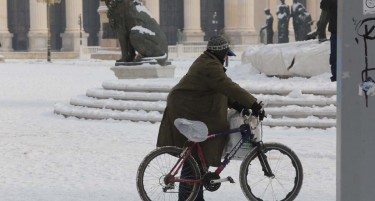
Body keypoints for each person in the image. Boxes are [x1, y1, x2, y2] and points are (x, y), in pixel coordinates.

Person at [156, 35, 265, 201]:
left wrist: (240, 106)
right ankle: (188, 198)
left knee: (198, 156)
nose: (227, 57)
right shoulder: (210, 66)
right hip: (187, 110)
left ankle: (194, 197)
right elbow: (228, 86)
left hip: (194, 109)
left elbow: (222, 91)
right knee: (194, 158)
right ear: (220, 52)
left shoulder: (209, 63)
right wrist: (254, 104)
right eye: (226, 54)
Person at [321, 0, 337, 82]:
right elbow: (323, 5)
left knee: (335, 55)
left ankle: (336, 75)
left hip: (347, 29)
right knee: (335, 55)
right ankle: (336, 75)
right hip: (336, 30)